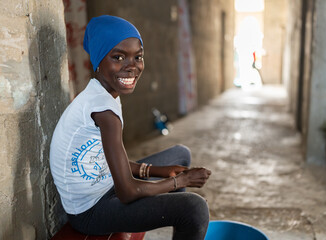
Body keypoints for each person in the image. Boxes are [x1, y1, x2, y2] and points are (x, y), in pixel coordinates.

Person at [50, 15, 212, 240]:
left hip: (107, 187)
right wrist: (178, 182)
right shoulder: (104, 112)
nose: (131, 67)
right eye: (118, 57)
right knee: (195, 209)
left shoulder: (102, 93)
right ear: (98, 60)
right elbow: (127, 192)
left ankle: (173, 216)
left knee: (180, 155)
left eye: (138, 57)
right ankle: (178, 213)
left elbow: (106, 161)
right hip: (91, 212)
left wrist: (158, 171)